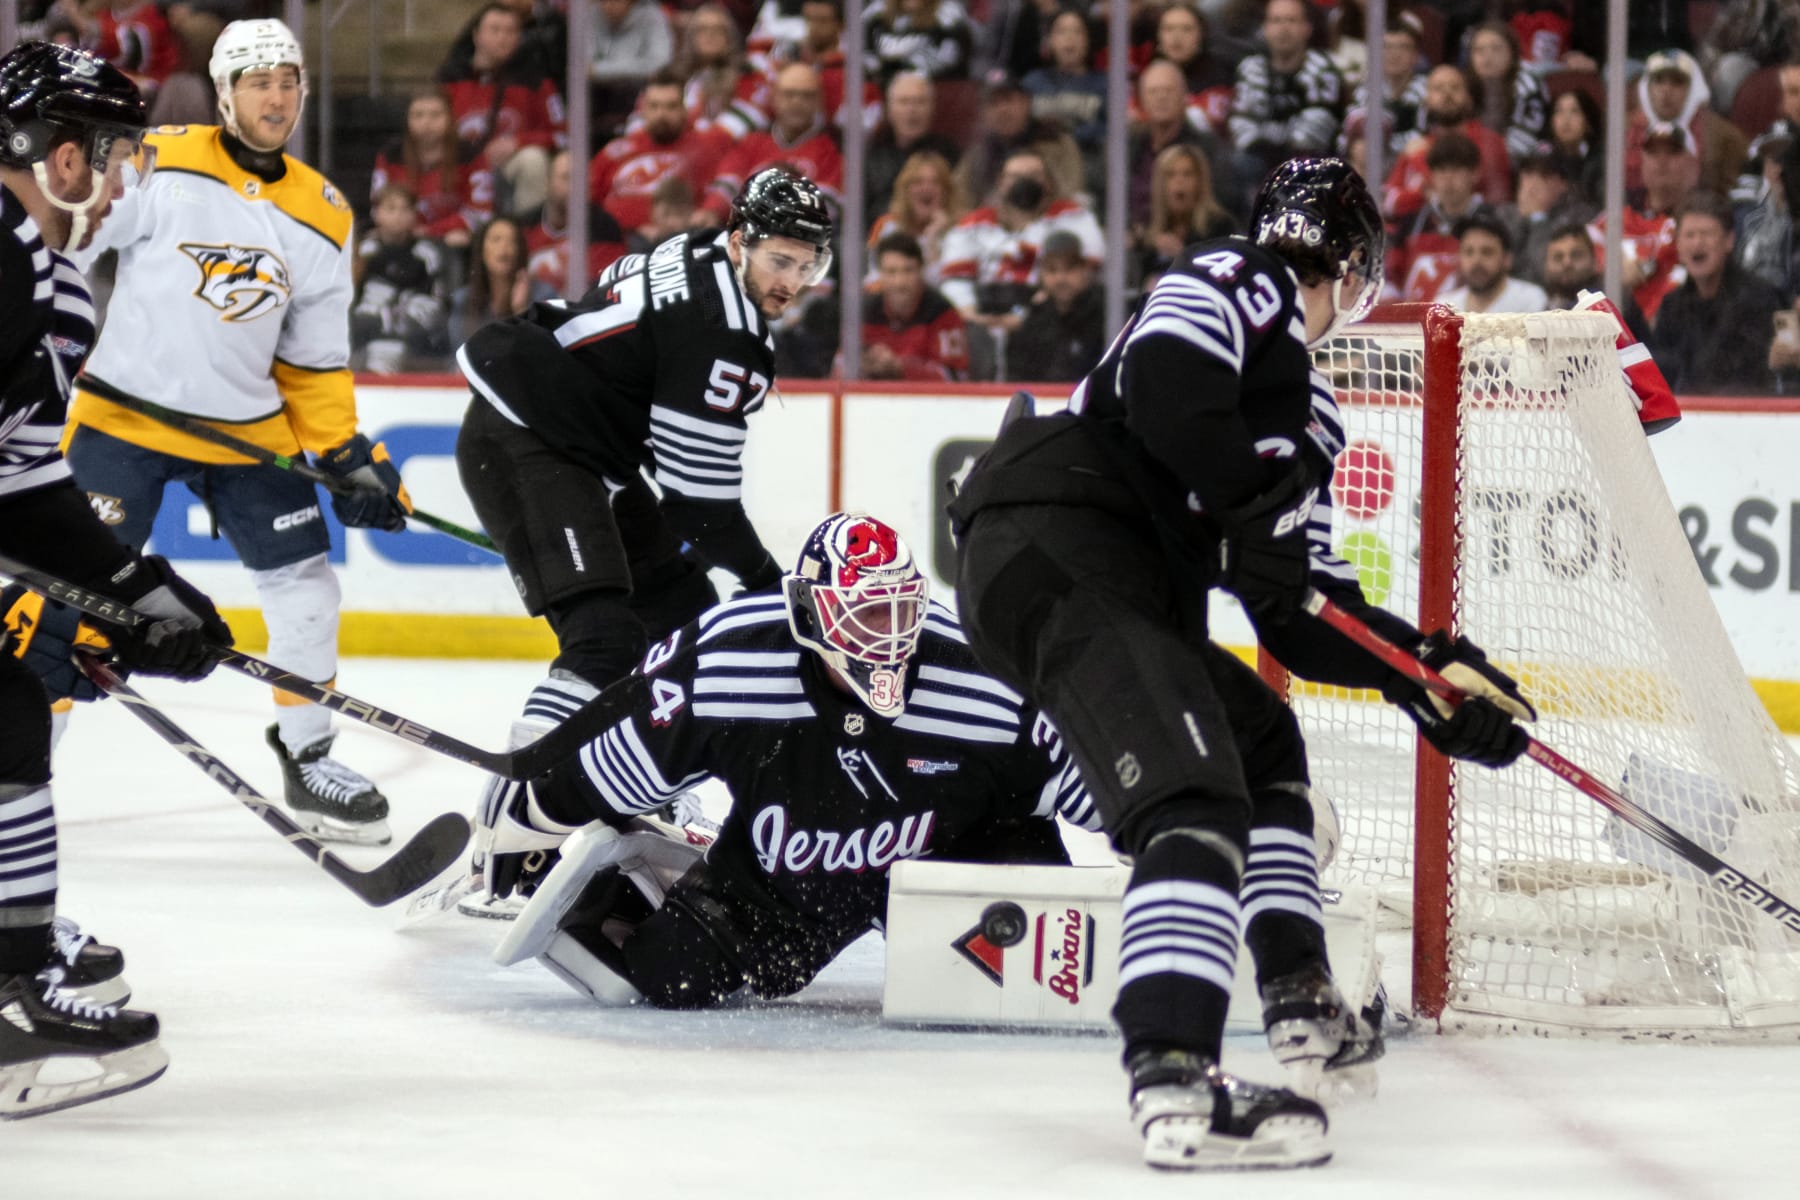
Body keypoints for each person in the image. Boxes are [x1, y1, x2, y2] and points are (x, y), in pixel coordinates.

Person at [944, 157, 1536, 1170]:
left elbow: (1300, 618)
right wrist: (1249, 507)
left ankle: (1299, 993)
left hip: (1110, 577)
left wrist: (1422, 674)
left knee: (1260, 738)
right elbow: (1171, 387)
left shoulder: (1307, 415)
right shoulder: (1244, 274)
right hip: (1059, 542)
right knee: (1193, 797)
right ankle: (1174, 1076)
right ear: (1349, 267)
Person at [471, 512, 1099, 1009]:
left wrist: (1169, 834)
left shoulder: (985, 674)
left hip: (954, 855)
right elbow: (619, 764)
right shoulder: (730, 660)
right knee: (673, 974)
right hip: (794, 876)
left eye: (899, 610)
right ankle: (664, 857)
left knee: (1025, 978)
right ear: (809, 614)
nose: (887, 638)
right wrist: (536, 814)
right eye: (864, 616)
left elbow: (1102, 786)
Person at [62, 18, 410, 847]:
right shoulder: (160, 157)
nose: (277, 97)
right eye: (258, 82)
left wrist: (346, 454)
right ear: (223, 93)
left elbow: (314, 360)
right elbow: (70, 246)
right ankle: (19, 766)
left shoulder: (322, 211)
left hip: (248, 432)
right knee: (57, 598)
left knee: (307, 588)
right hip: (122, 416)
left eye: (288, 81)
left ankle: (308, 752)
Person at [452, 167, 835, 892]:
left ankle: (639, 785)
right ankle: (512, 830)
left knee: (686, 622)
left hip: (582, 449)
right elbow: (698, 505)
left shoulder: (696, 252)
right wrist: (768, 586)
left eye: (807, 263)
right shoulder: (728, 335)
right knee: (605, 640)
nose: (792, 280)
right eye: (780, 259)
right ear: (741, 242)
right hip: (529, 440)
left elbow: (672, 458)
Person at [0, 39, 233, 1120]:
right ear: (47, 151)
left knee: (5, 717)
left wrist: (139, 591)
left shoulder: (55, 288)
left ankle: (14, 978)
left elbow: (26, 483)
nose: (118, 173)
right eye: (103, 150)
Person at [1649, 191, 1784, 393]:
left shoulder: (1758, 299)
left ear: (1728, 241)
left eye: (1707, 234)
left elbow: (1751, 377)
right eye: (1689, 235)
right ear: (1678, 244)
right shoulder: (1671, 305)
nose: (1697, 243)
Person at [1226, 0, 1344, 212]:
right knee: (1237, 164)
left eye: (1291, 20)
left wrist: (1283, 152)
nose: (1283, 28)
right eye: (1276, 21)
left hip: (1311, 161)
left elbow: (1318, 127)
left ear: (1307, 28)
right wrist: (1264, 149)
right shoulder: (1251, 68)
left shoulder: (1322, 68)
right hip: (1259, 158)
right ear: (1265, 28)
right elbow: (1241, 122)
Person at [352, 184, 453, 372]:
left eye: (405, 209)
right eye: (391, 208)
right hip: (369, 329)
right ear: (377, 214)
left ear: (414, 215)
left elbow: (440, 302)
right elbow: (351, 298)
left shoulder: (427, 253)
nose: (398, 215)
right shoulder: (365, 251)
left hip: (413, 330)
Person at [853, 230, 968, 380]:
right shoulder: (864, 313)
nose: (899, 282)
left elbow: (956, 378)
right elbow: (839, 368)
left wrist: (900, 367)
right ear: (880, 274)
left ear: (921, 271)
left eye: (908, 271)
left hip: (925, 402)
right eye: (891, 272)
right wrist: (861, 364)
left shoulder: (941, 313)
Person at [1004, 229, 1105, 382]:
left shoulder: (1106, 316)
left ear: (1084, 270)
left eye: (1069, 269)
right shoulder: (1032, 321)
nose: (1060, 278)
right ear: (1042, 274)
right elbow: (1017, 380)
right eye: (1052, 269)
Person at [449, 215, 558, 347]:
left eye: (512, 241)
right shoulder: (463, 299)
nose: (504, 248)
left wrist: (521, 310)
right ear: (482, 251)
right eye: (496, 240)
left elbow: (543, 352)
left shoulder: (543, 295)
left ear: (520, 251)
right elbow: (457, 355)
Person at [1435, 211, 1549, 313]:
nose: (1476, 261)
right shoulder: (1444, 307)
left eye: (1487, 252)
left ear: (1507, 259)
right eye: (1468, 252)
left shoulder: (1530, 300)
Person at [1540, 219, 1601, 308]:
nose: (1567, 263)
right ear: (1546, 266)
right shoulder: (1542, 308)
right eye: (1558, 257)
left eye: (1576, 255)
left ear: (1595, 261)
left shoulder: (1614, 300)